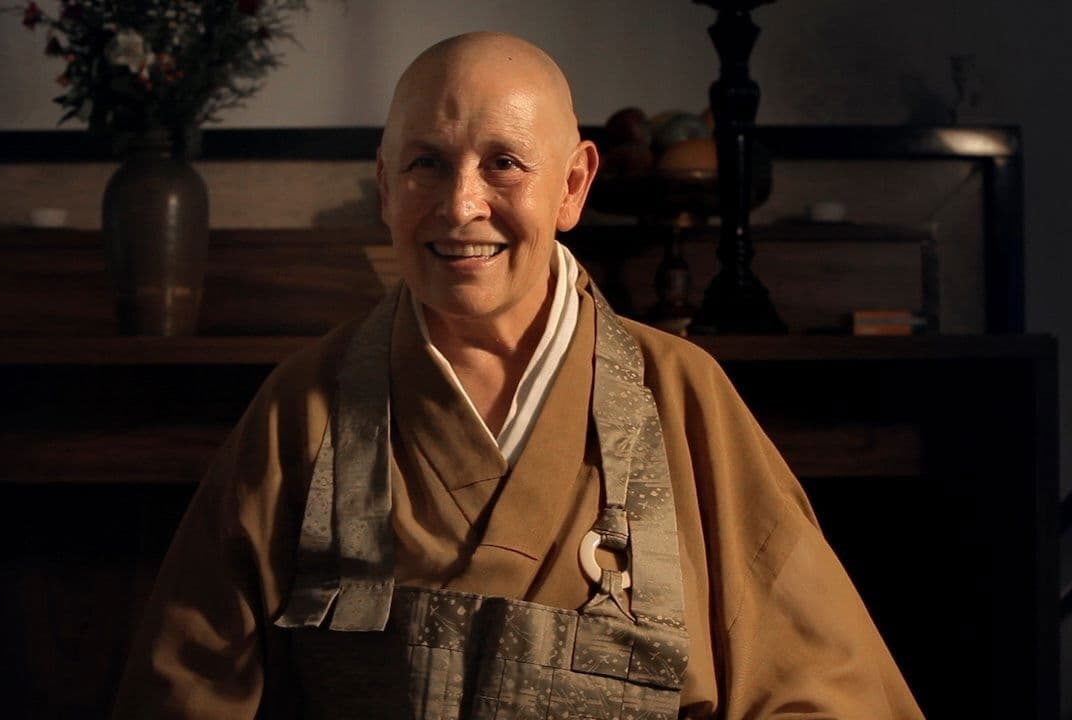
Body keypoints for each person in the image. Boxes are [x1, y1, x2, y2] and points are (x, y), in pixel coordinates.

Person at [111, 32, 924, 719]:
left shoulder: (679, 394)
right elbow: (184, 691)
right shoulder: (305, 405)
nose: (461, 205)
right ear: (386, 185)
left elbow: (829, 691)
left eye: (503, 163)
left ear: (573, 185)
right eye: (427, 164)